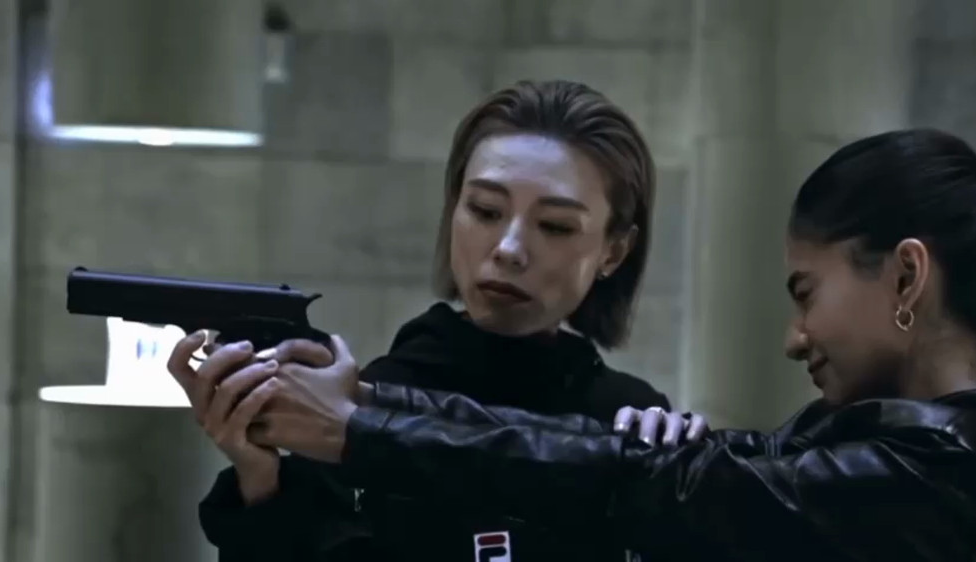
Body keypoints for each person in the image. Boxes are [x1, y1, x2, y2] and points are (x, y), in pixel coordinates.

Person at [192, 128, 976, 561]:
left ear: (906, 277)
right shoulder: (871, 438)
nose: (795, 337)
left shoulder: (946, 472)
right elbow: (657, 466)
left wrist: (359, 426)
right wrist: (365, 403)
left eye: (805, 292)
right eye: (484, 211)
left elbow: (627, 476)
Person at [171, 80, 706, 562]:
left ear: (614, 250)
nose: (509, 248)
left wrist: (689, 480)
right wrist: (260, 478)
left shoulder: (629, 417)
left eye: (555, 226)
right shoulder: (359, 406)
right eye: (486, 211)